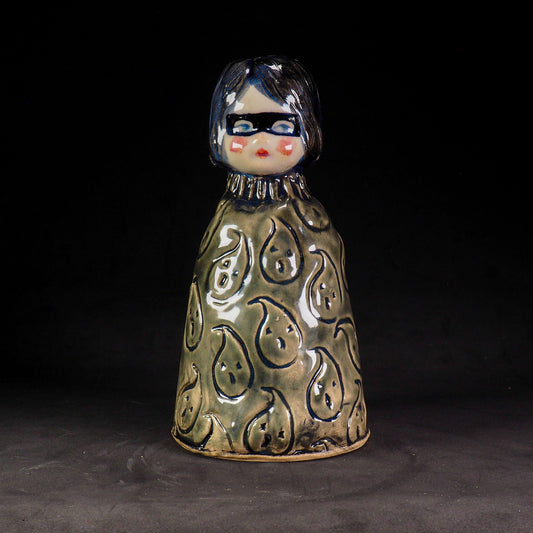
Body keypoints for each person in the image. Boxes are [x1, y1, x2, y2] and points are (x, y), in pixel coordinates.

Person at [172, 55, 369, 461]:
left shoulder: (313, 223)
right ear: (218, 132)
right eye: (243, 127)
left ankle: (324, 428)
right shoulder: (226, 221)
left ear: (308, 131)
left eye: (281, 127)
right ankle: (219, 425)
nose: (261, 142)